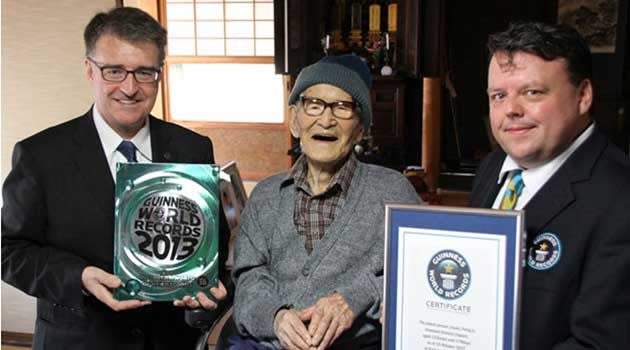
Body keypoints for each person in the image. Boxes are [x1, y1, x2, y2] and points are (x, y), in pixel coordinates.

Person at [1, 7, 229, 350]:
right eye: (114, 71)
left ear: (159, 75)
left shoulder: (192, 148)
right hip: (80, 339)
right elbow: (9, 250)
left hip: (169, 340)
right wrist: (77, 276)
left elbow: (213, 245)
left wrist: (206, 289)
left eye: (144, 73)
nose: (130, 87)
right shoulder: (41, 155)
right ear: (89, 70)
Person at [231, 54, 422, 350]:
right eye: (314, 105)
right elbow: (248, 277)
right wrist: (276, 317)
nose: (326, 119)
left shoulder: (394, 191)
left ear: (361, 128)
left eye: (343, 107)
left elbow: (420, 275)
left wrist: (357, 296)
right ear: (295, 121)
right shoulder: (266, 196)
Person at [470, 22, 630, 349]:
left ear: (583, 96)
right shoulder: (492, 169)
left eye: (532, 92)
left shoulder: (621, 197)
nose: (511, 109)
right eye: (499, 95)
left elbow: (601, 342)